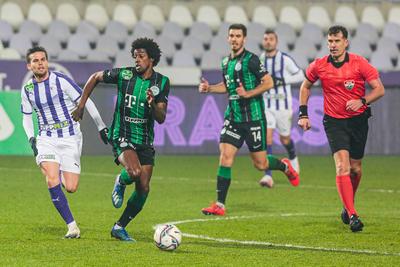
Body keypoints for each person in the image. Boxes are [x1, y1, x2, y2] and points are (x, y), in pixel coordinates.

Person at [72, 38, 169, 242]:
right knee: (134, 172)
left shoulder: (162, 82)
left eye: (141, 56)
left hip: (144, 140)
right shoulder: (124, 75)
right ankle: (121, 180)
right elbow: (95, 77)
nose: (137, 60)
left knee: (143, 189)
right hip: (121, 135)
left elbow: (161, 118)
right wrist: (81, 105)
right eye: (135, 56)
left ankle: (119, 227)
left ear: (151, 59)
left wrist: (152, 105)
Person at [199, 24, 300, 216]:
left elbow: (268, 82)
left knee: (260, 164)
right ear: (228, 38)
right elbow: (227, 86)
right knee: (225, 156)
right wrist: (210, 88)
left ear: (244, 39)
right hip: (233, 117)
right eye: (231, 35)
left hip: (254, 118)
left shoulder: (252, 60)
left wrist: (248, 93)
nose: (234, 39)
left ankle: (284, 166)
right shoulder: (225, 62)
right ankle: (219, 205)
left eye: (238, 35)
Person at [298, 25, 385, 232]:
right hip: (334, 121)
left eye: (337, 41)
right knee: (342, 167)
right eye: (330, 41)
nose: (333, 45)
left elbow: (379, 89)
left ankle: (348, 205)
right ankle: (353, 215)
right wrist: (303, 114)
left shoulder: (359, 63)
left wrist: (362, 100)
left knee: (355, 169)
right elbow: (305, 87)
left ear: (346, 42)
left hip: (358, 120)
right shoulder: (319, 65)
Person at [21, 46, 108, 238]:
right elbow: (26, 117)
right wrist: (31, 138)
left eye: (43, 59)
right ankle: (72, 226)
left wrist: (101, 126)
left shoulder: (60, 80)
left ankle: (57, 168)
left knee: (71, 187)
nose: (40, 63)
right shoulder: (27, 90)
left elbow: (85, 102)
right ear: (29, 66)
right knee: (52, 178)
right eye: (35, 60)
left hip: (70, 137)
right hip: (46, 138)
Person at [259, 29, 305, 187]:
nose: (268, 42)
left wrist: (282, 79)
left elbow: (301, 75)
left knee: (284, 139)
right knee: (267, 137)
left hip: (283, 106)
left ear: (276, 41)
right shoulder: (260, 59)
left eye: (270, 39)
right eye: (265, 39)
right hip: (266, 105)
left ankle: (293, 159)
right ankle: (268, 176)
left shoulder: (284, 59)